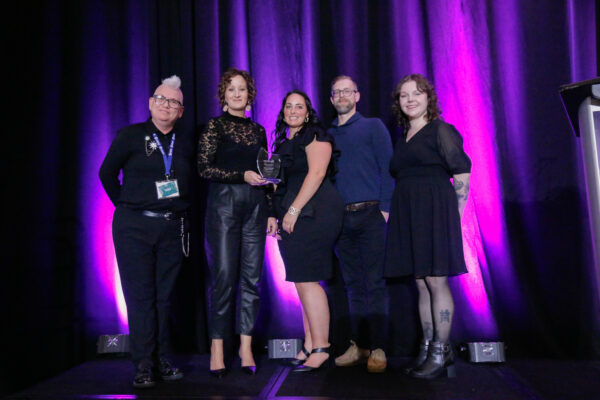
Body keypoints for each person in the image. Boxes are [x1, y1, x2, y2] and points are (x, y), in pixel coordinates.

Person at [99, 75, 189, 388]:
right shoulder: (130, 135)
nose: (166, 105)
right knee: (140, 297)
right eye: (161, 99)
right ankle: (143, 365)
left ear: (180, 111)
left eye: (173, 102)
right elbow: (106, 173)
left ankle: (163, 359)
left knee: (164, 298)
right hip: (134, 227)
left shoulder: (185, 141)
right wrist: (127, 205)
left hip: (171, 227)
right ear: (150, 103)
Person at [384, 74, 471, 379]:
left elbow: (462, 172)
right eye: (404, 95)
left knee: (436, 281)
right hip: (409, 212)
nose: (410, 99)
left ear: (428, 98)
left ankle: (441, 351)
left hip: (436, 211)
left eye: (417, 93)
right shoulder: (404, 136)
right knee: (421, 282)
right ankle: (428, 347)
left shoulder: (441, 130)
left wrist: (453, 219)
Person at [198, 68, 277, 378]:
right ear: (223, 94)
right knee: (224, 278)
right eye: (231, 89)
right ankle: (218, 348)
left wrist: (270, 211)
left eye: (241, 89)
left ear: (249, 94)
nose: (236, 94)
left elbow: (266, 173)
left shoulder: (258, 130)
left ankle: (246, 347)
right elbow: (204, 168)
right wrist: (240, 176)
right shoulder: (214, 126)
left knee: (252, 280)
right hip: (224, 206)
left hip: (255, 206)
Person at [272, 90, 344, 372]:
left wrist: (293, 210)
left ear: (307, 112)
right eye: (288, 106)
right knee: (301, 279)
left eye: (299, 106)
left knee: (309, 279)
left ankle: (322, 347)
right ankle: (309, 344)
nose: (293, 110)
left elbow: (316, 173)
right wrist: (275, 214)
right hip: (292, 214)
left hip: (315, 212)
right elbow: (276, 184)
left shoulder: (315, 134)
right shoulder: (282, 143)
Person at [327, 75, 395, 373]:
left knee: (375, 283)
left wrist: (385, 210)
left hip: (371, 215)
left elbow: (388, 169)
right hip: (340, 219)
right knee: (352, 284)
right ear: (331, 99)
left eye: (347, 91)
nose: (342, 95)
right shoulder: (327, 135)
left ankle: (378, 347)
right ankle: (358, 345)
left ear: (357, 96)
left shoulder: (373, 126)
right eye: (337, 92)